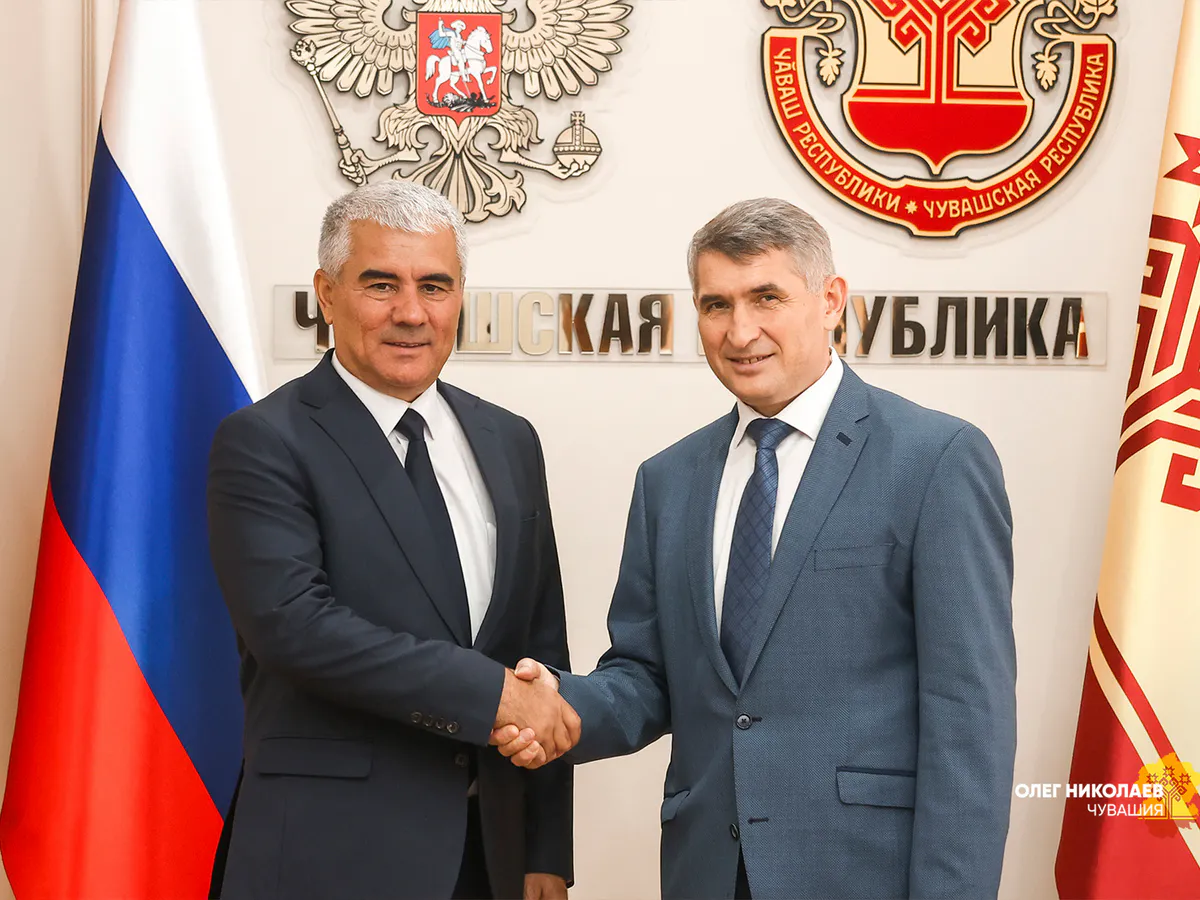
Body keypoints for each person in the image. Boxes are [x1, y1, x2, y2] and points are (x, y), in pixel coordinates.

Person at [493, 199, 1017, 899]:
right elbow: (647, 676)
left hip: (863, 876)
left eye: (767, 297)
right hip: (707, 872)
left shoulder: (936, 459)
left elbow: (969, 718)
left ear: (831, 300)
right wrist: (564, 707)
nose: (740, 332)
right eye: (717, 305)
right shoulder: (668, 479)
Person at [206, 181, 579, 900]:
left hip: (491, 858)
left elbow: (540, 643)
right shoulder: (263, 441)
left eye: (434, 286)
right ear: (327, 293)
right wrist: (492, 695)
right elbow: (297, 629)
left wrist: (545, 848)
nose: (411, 313)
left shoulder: (509, 440)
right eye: (381, 284)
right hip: (328, 859)